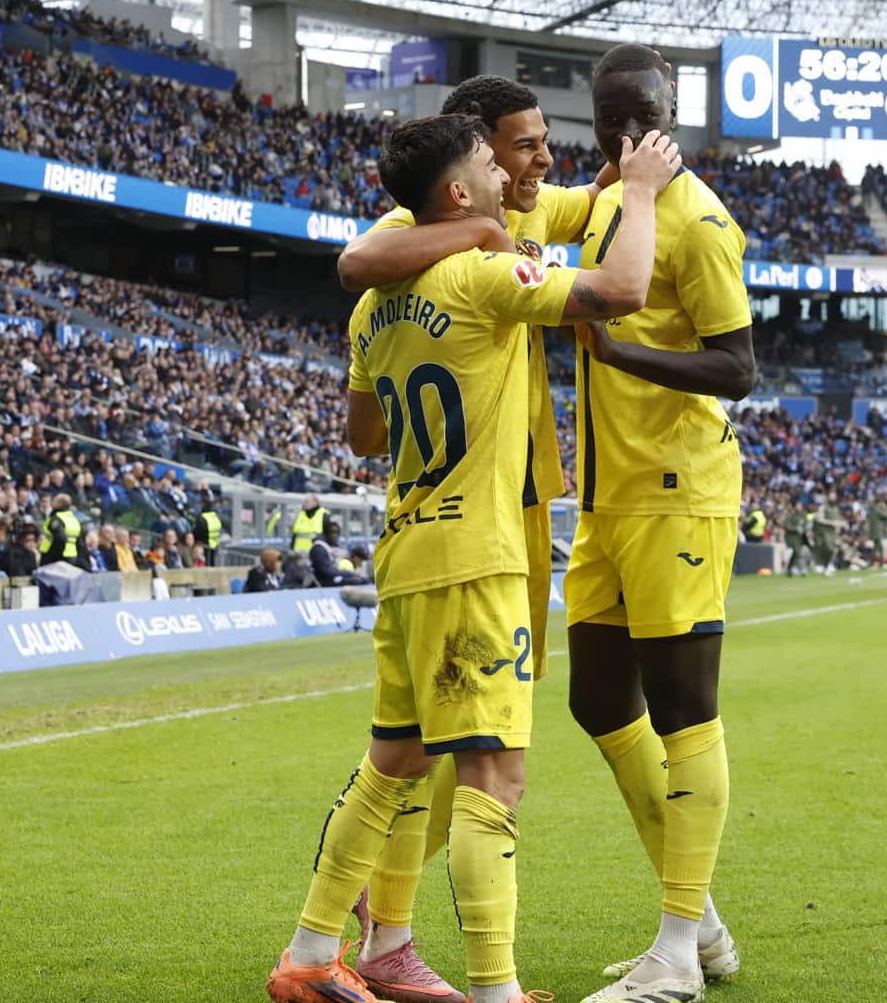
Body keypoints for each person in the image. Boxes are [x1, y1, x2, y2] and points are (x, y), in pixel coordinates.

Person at [264, 110, 674, 1003]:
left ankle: (307, 956)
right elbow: (622, 289)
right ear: (458, 191)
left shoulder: (373, 310)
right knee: (495, 772)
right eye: (491, 163)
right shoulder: (484, 276)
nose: (502, 176)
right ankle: (494, 992)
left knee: (394, 762)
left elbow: (366, 435)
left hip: (406, 552)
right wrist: (638, 191)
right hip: (475, 555)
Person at [566, 45, 754, 1002]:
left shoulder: (701, 222)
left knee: (684, 708)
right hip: (607, 496)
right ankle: (706, 925)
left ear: (671, 114)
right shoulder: (608, 204)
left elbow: (739, 367)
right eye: (610, 117)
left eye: (641, 114)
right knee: (597, 701)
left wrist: (621, 353)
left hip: (680, 487)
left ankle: (678, 947)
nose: (626, 132)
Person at [308, 518, 355, 588]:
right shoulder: (319, 549)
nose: (334, 536)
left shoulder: (337, 548)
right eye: (331, 532)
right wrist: (350, 574)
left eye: (336, 533)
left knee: (362, 580)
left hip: (333, 578)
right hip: (322, 582)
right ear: (325, 534)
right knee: (356, 581)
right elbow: (327, 572)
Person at [41, 492, 82, 565]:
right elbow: (79, 541)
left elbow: (60, 539)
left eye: (54, 500)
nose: (52, 502)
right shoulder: (74, 519)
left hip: (56, 558)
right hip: (72, 555)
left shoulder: (56, 519)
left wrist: (54, 558)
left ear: (59, 504)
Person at [781, 503, 811, 576]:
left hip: (800, 537)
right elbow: (786, 525)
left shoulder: (803, 515)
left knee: (795, 554)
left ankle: (789, 569)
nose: (799, 508)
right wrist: (795, 528)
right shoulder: (790, 515)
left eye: (800, 506)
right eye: (797, 506)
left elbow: (806, 523)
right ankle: (801, 569)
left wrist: (806, 527)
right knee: (798, 552)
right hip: (791, 537)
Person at [195, 496, 226, 564]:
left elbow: (198, 531)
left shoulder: (202, 517)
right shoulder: (215, 515)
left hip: (205, 545)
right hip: (215, 544)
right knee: (213, 563)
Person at [866, 498, 887, 564]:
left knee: (876, 547)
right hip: (878, 531)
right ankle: (881, 563)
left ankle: (872, 562)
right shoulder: (877, 509)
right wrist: (886, 508)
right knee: (880, 547)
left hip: (874, 531)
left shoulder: (873, 509)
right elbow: (886, 515)